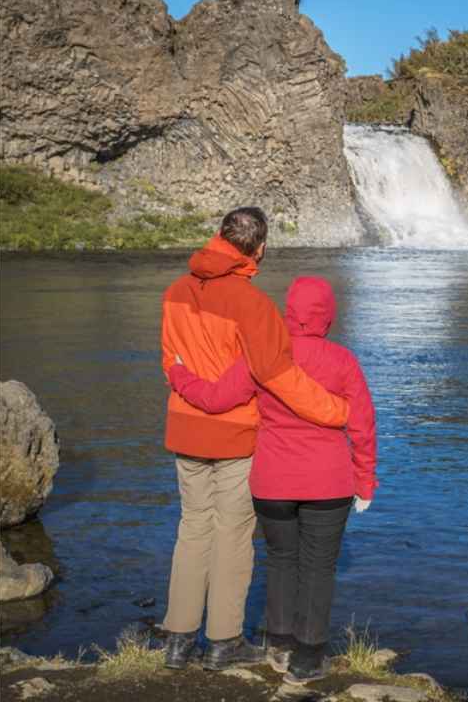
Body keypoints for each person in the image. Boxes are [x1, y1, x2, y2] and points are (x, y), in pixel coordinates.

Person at [160, 208, 350, 672]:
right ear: (260, 249)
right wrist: (335, 411)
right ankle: (224, 642)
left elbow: (172, 362)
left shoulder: (174, 293)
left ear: (218, 236)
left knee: (192, 530)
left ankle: (178, 643)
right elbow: (279, 377)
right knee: (233, 534)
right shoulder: (254, 305)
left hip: (185, 429)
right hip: (237, 433)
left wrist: (194, 391)